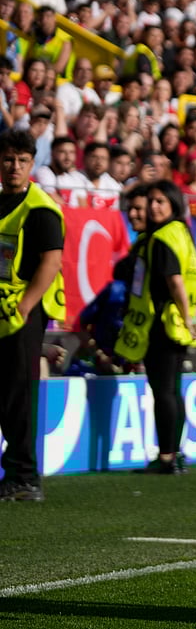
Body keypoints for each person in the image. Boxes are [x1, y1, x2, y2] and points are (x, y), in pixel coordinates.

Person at [115, 181, 196, 474]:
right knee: (174, 390)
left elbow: (175, 281)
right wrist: (190, 318)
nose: (153, 207)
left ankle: (166, 457)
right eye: (151, 202)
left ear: (173, 204)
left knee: (163, 391)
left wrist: (188, 318)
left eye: (160, 202)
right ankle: (175, 454)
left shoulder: (162, 238)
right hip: (178, 324)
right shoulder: (182, 233)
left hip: (163, 324)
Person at [0, 129, 65, 501]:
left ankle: (25, 477)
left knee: (19, 395)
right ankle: (15, 473)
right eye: (8, 159)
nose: (15, 166)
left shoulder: (40, 207)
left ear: (31, 164)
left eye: (22, 160)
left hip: (23, 312)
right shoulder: (3, 201)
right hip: (3, 309)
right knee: (6, 394)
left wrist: (25, 306)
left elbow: (51, 262)